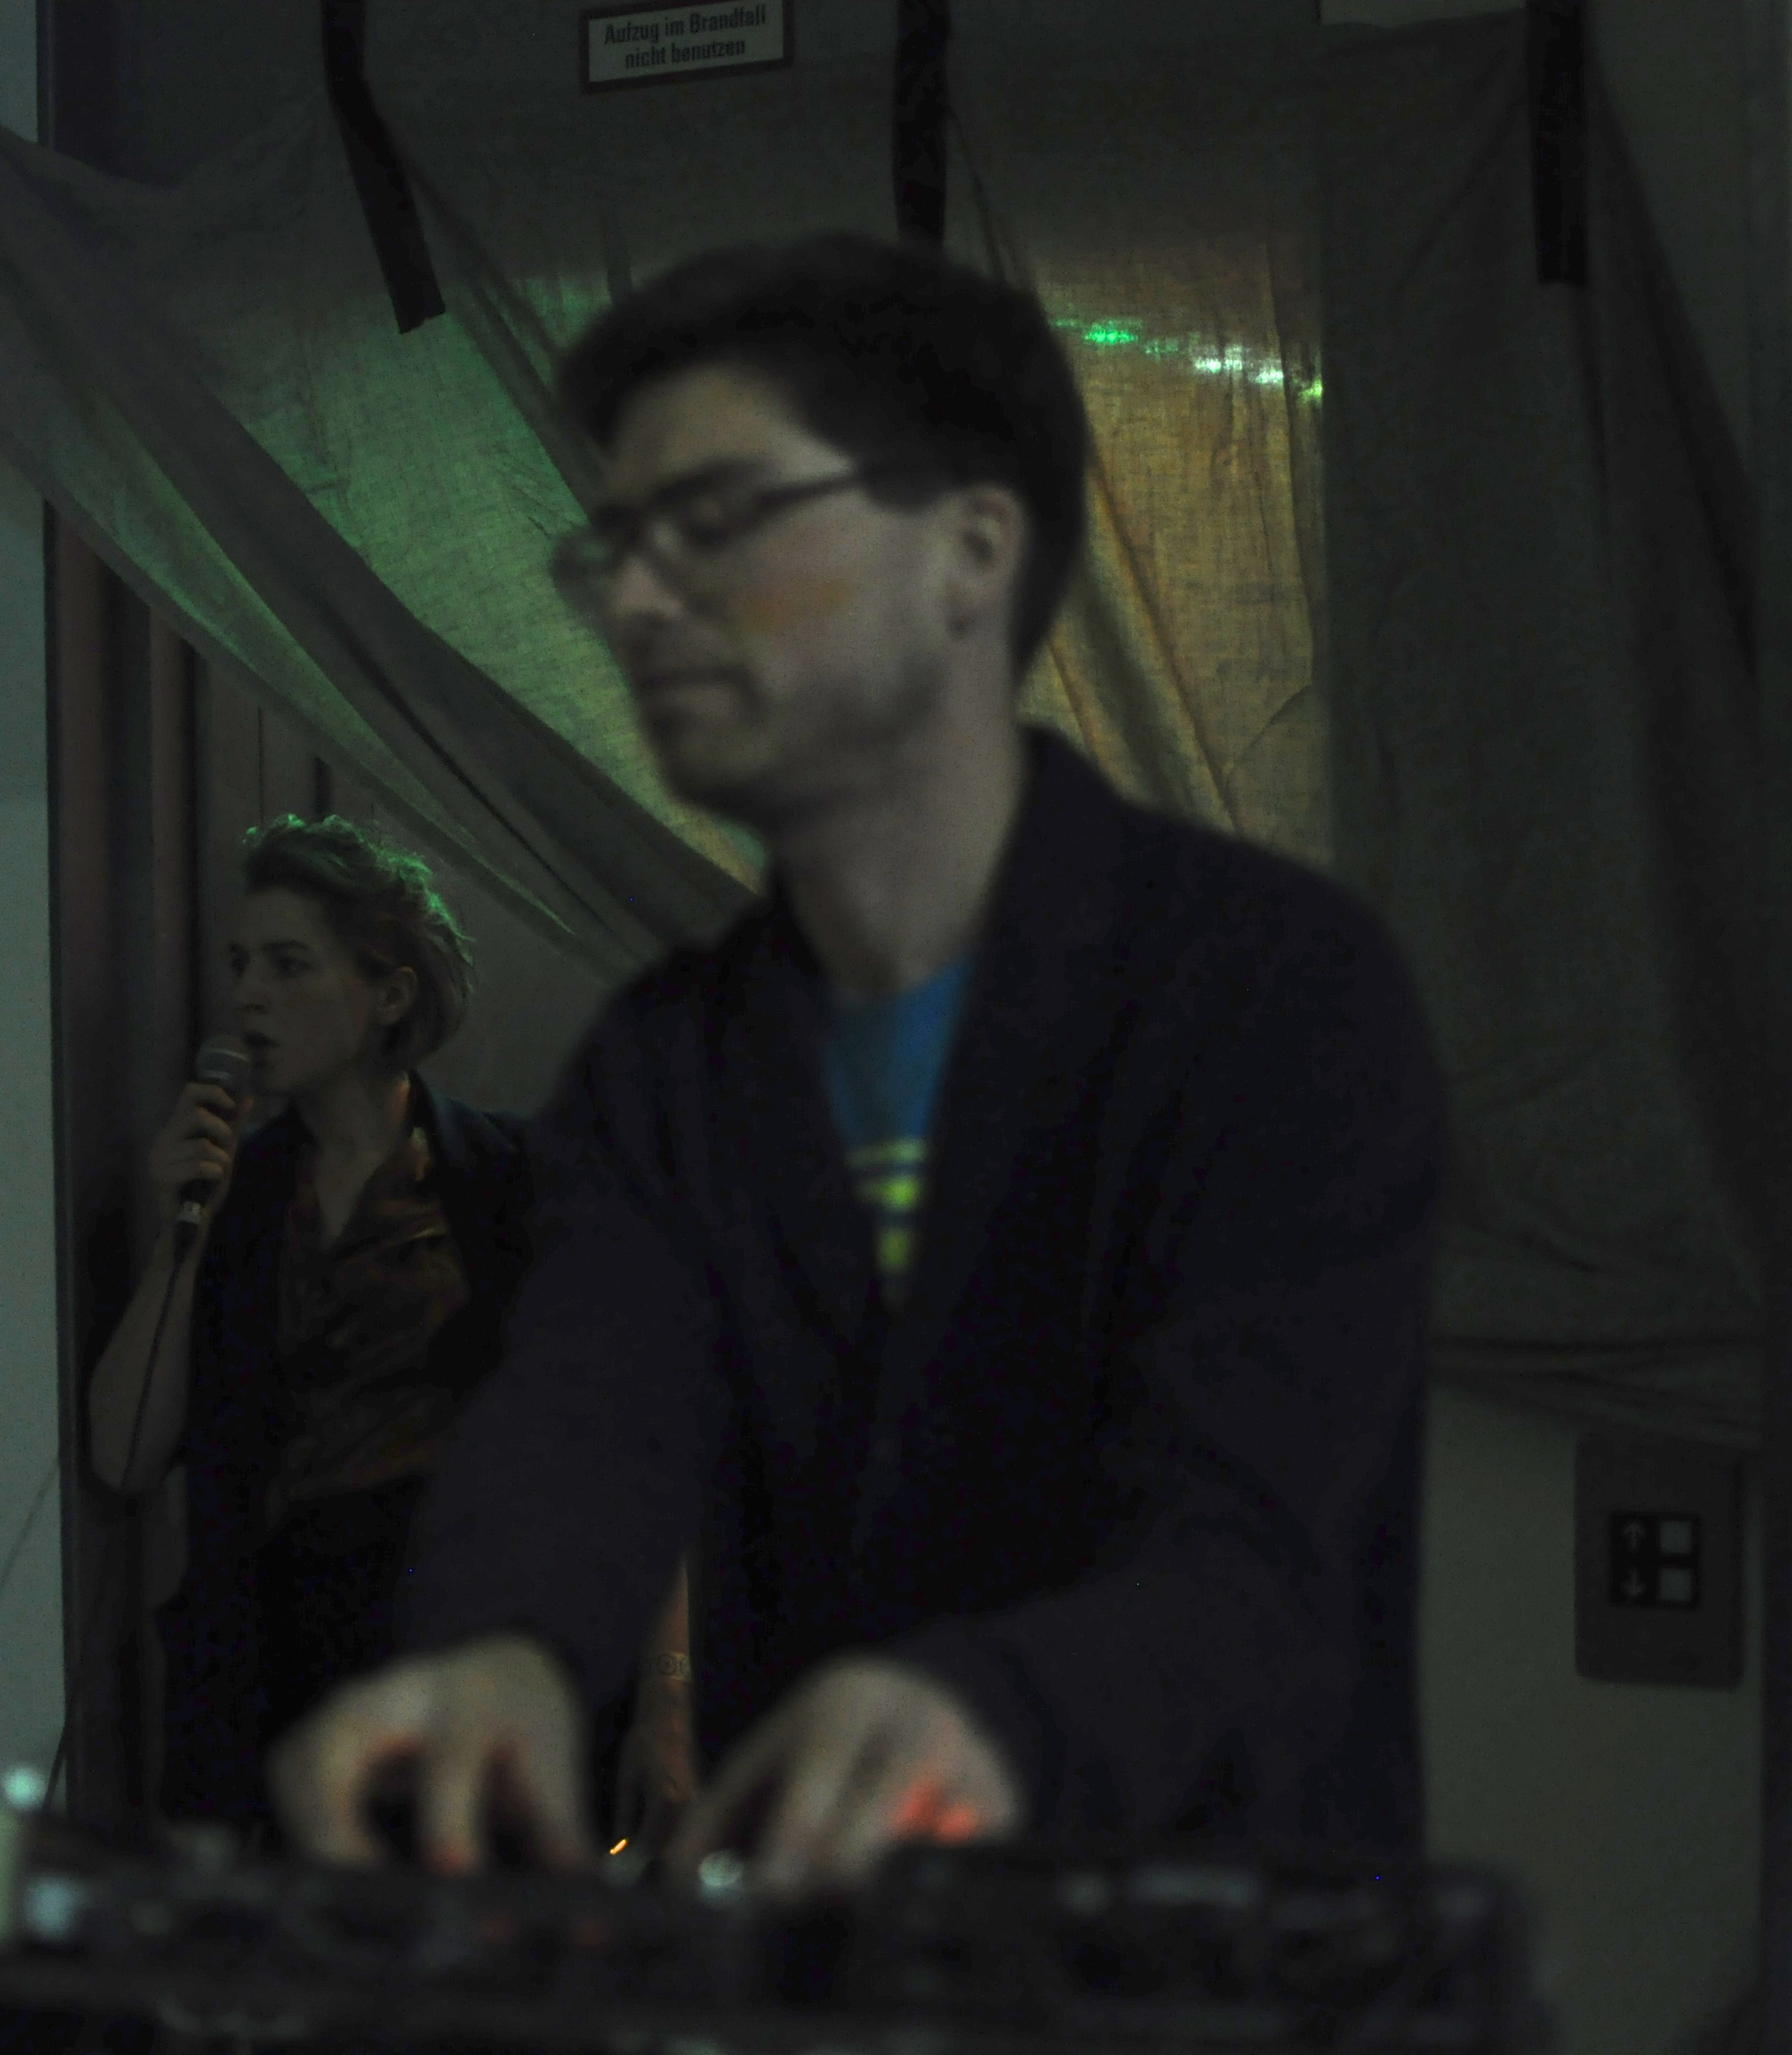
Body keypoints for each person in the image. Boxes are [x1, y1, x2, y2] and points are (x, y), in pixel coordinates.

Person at [269, 234, 1444, 1891]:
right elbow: (586, 1421)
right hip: (840, 1953)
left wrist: (981, 1706)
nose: (640, 602)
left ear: (968, 550)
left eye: (718, 521)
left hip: (1213, 1946)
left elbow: (1251, 1533)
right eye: (617, 546)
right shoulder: (666, 1060)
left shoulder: (1271, 992)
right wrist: (503, 1646)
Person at [86, 815, 691, 1839]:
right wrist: (183, 1229)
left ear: (390, 994)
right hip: (274, 1699)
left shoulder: (517, 1183)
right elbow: (124, 1450)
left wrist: (669, 1697)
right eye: (239, 965)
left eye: (288, 965)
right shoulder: (241, 1201)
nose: (249, 995)